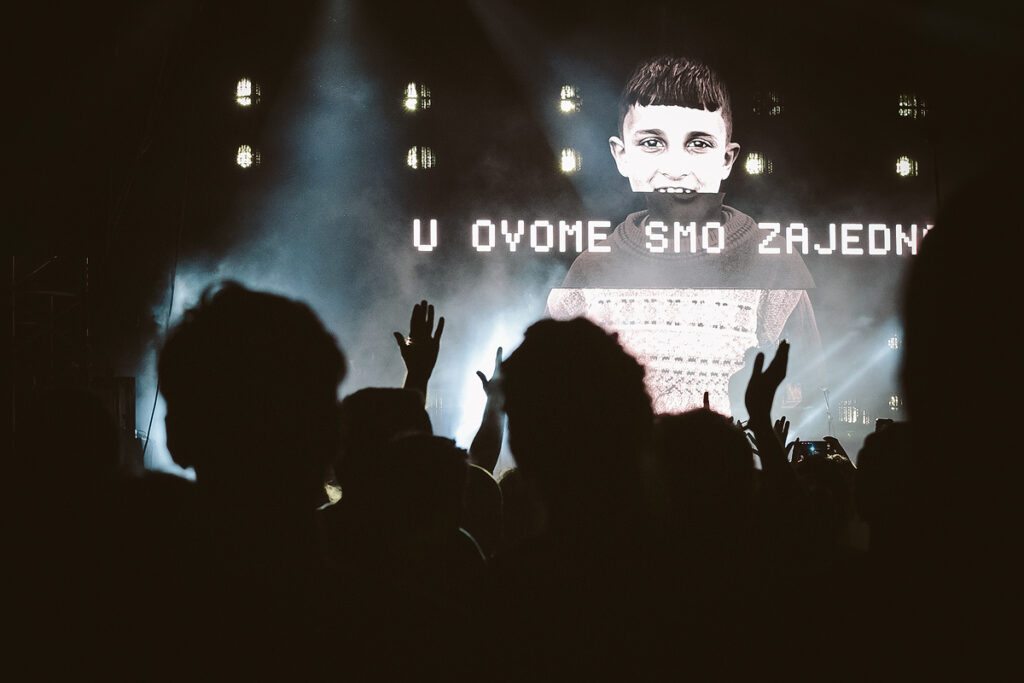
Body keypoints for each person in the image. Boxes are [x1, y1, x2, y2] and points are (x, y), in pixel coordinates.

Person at [547, 55, 822, 421]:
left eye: (699, 144)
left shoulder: (773, 264)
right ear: (621, 155)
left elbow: (809, 395)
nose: (675, 168)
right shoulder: (591, 268)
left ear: (727, 159)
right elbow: (553, 393)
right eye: (652, 142)